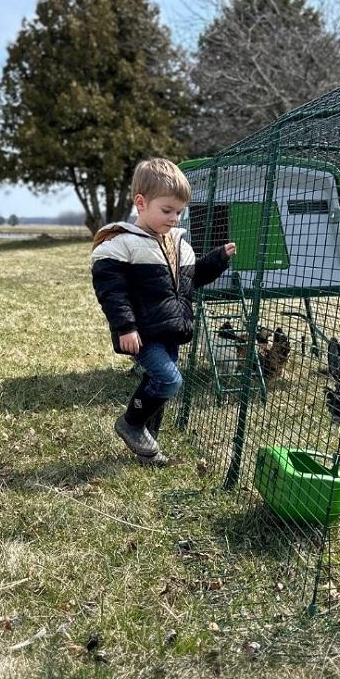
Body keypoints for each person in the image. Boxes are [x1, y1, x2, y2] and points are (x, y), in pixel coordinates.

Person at [91, 158, 236, 466]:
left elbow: (190, 280)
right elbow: (111, 292)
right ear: (141, 203)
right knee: (169, 380)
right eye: (167, 210)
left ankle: (148, 451)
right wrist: (125, 327)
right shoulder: (121, 244)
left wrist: (217, 260)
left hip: (171, 328)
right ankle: (130, 424)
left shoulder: (178, 244)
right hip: (142, 332)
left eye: (179, 211)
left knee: (160, 389)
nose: (174, 218)